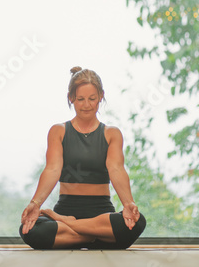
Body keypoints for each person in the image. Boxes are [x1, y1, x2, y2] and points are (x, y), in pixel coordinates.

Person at [19, 66, 146, 249]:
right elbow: (52, 169)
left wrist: (128, 203)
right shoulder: (58, 131)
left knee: (138, 222)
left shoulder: (112, 134)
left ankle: (73, 229)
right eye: (80, 99)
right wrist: (35, 203)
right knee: (29, 230)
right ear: (71, 98)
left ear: (101, 96)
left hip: (101, 214)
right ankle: (96, 237)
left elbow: (116, 169)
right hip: (67, 208)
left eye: (92, 99)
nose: (86, 105)